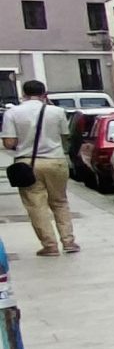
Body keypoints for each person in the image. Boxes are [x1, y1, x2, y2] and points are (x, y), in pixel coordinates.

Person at [3, 83, 77, 257]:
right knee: (60, 202)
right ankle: (69, 242)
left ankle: (49, 245)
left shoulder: (12, 113)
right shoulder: (57, 112)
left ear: (24, 93)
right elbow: (65, 136)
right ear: (44, 93)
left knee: (36, 206)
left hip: (27, 163)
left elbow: (9, 142)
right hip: (56, 161)